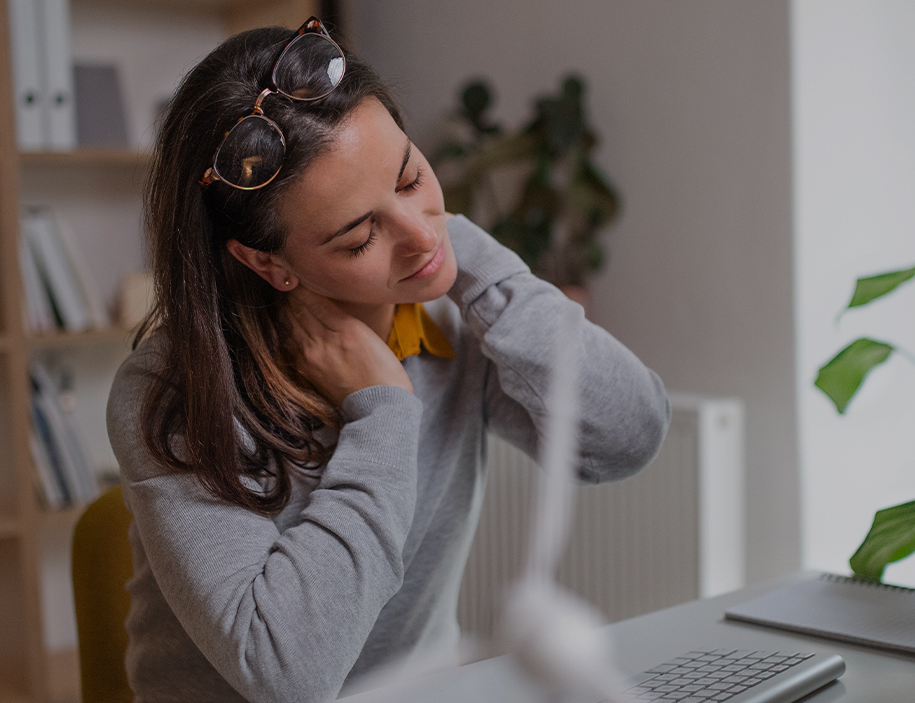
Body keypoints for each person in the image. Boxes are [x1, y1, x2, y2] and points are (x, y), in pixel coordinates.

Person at [106, 18, 669, 703]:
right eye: (359, 235)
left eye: (409, 177)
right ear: (266, 261)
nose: (417, 234)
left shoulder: (451, 311)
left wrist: (474, 263)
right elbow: (290, 672)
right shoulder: (173, 390)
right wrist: (384, 409)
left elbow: (630, 437)